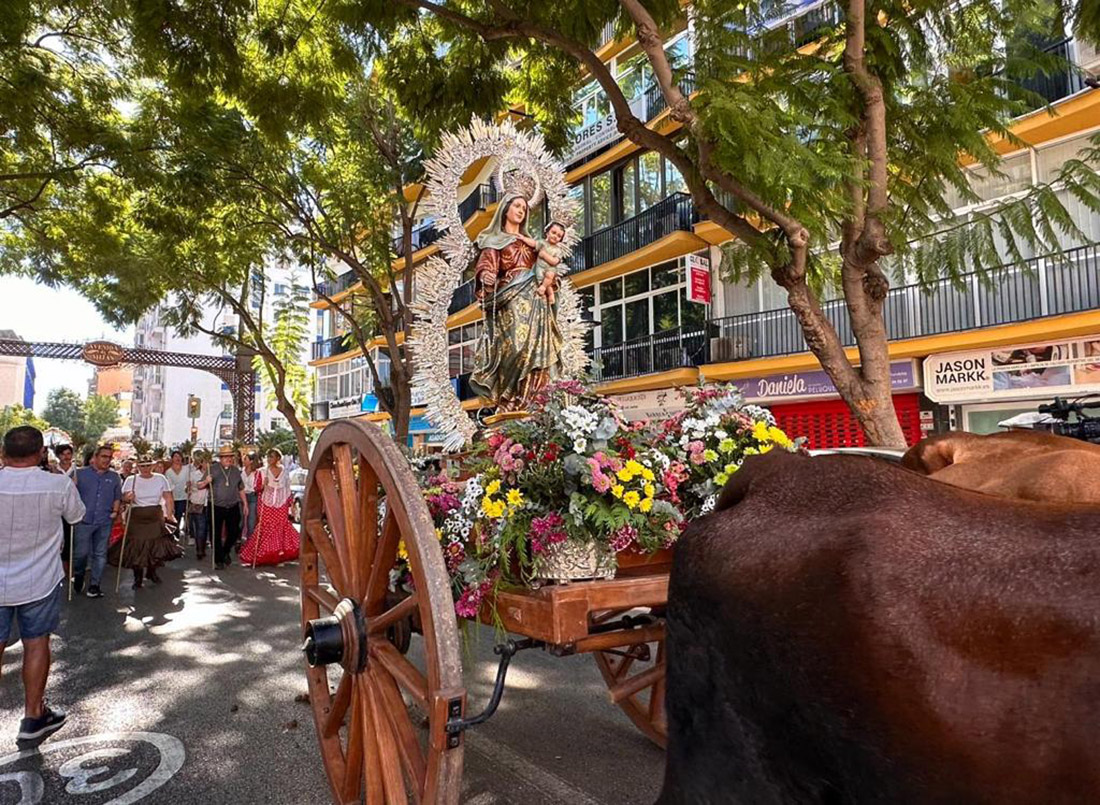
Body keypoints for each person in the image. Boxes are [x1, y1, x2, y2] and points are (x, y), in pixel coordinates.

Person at [0, 426, 84, 747]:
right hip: (39, 580)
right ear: (41, 454)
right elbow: (77, 516)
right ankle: (33, 715)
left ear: (3, 454)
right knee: (36, 644)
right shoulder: (57, 484)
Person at [469, 193, 565, 412]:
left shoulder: (533, 243)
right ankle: (507, 398)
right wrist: (486, 276)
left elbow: (548, 266)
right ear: (506, 209)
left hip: (536, 298)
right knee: (516, 347)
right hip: (509, 297)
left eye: (524, 208)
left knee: (539, 350)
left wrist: (551, 280)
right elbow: (486, 265)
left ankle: (532, 402)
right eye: (517, 206)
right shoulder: (494, 240)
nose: (521, 211)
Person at [111, 456, 181, 588]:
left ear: (153, 466)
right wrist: (127, 497)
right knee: (136, 547)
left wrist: (170, 514)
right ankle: (137, 577)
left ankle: (151, 571)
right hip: (136, 516)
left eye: (148, 465)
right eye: (142, 466)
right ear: (137, 467)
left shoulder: (160, 478)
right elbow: (123, 499)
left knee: (154, 545)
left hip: (155, 515)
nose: (145, 469)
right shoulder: (131, 480)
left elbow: (168, 497)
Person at [72, 445, 122, 598]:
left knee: (100, 554)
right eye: (104, 456)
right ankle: (79, 575)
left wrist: (115, 512)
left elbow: (117, 497)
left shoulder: (114, 477)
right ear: (95, 457)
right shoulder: (79, 474)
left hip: (104, 520)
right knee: (81, 554)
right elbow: (70, 495)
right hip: (83, 521)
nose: (107, 460)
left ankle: (94, 585)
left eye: (109, 457)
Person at [240, 449, 300, 566]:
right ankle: (264, 553)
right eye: (268, 457)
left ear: (278, 458)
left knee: (280, 527)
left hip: (281, 503)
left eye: (272, 457)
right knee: (265, 527)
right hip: (266, 503)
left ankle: (277, 554)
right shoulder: (262, 472)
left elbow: (287, 489)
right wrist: (263, 485)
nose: (269, 459)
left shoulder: (285, 472)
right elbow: (256, 489)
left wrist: (291, 504)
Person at [209, 446, 248, 569]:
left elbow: (240, 488)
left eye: (230, 456)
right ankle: (218, 559)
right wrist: (206, 481)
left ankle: (225, 551)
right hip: (216, 505)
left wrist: (245, 504)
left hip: (233, 505)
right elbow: (199, 485)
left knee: (234, 531)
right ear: (221, 458)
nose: (229, 459)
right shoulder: (212, 469)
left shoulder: (236, 471)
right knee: (215, 533)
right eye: (226, 457)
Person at [526, 221, 567, 305]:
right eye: (553, 233)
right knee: (542, 280)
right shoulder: (542, 243)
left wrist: (544, 255)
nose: (555, 236)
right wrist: (523, 238)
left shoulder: (558, 250)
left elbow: (554, 261)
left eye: (559, 236)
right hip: (539, 268)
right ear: (547, 232)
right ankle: (546, 294)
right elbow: (533, 243)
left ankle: (548, 293)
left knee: (549, 277)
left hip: (550, 269)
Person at [187, 451, 211, 560]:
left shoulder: (213, 474)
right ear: (201, 463)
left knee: (206, 527)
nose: (207, 465)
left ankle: (203, 546)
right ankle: (199, 550)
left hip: (210, 503)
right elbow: (190, 488)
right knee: (200, 527)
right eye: (205, 462)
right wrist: (188, 487)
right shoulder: (194, 474)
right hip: (198, 502)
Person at [163, 451, 189, 526]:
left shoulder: (187, 469)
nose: (178, 458)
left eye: (179, 456)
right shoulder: (168, 472)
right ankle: (176, 533)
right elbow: (169, 488)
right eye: (175, 456)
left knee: (187, 518)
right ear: (172, 459)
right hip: (174, 498)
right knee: (176, 517)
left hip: (185, 497)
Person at [241, 451, 259, 542]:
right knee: (240, 521)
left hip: (252, 497)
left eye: (246, 459)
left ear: (251, 461)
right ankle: (238, 540)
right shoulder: (241, 471)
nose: (243, 461)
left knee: (251, 521)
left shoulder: (256, 473)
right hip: (241, 496)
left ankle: (250, 543)